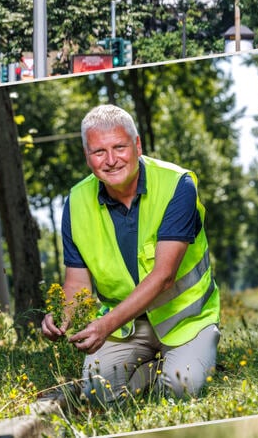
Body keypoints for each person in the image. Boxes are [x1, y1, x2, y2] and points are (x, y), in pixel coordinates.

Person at [41, 104, 220, 404]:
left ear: (137, 145)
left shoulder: (177, 185)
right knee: (97, 394)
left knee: (180, 389)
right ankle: (153, 369)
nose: (111, 160)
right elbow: (77, 285)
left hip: (186, 322)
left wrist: (104, 325)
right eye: (99, 152)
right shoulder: (76, 202)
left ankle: (180, 362)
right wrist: (62, 315)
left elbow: (164, 277)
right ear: (87, 157)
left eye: (119, 147)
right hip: (126, 328)